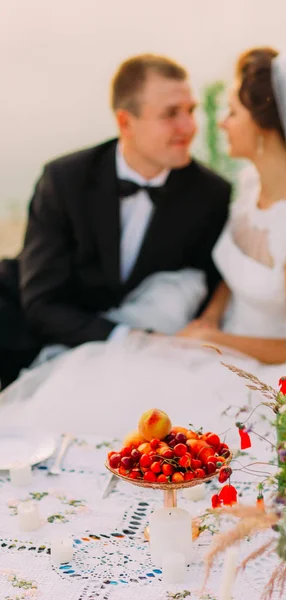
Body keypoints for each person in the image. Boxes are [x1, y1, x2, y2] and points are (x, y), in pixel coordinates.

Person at [1, 45, 286, 437]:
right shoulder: (245, 189)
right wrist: (209, 317)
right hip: (42, 321)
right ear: (126, 122)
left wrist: (211, 339)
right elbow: (236, 269)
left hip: (243, 357)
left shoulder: (234, 202)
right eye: (171, 114)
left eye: (206, 111)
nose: (197, 126)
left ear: (262, 126)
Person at [0, 54, 231, 388]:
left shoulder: (210, 194)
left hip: (130, 358)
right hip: (22, 326)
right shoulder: (65, 179)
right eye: (170, 114)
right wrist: (132, 338)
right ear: (126, 123)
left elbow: (211, 285)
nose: (189, 127)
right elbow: (41, 303)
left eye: (190, 110)